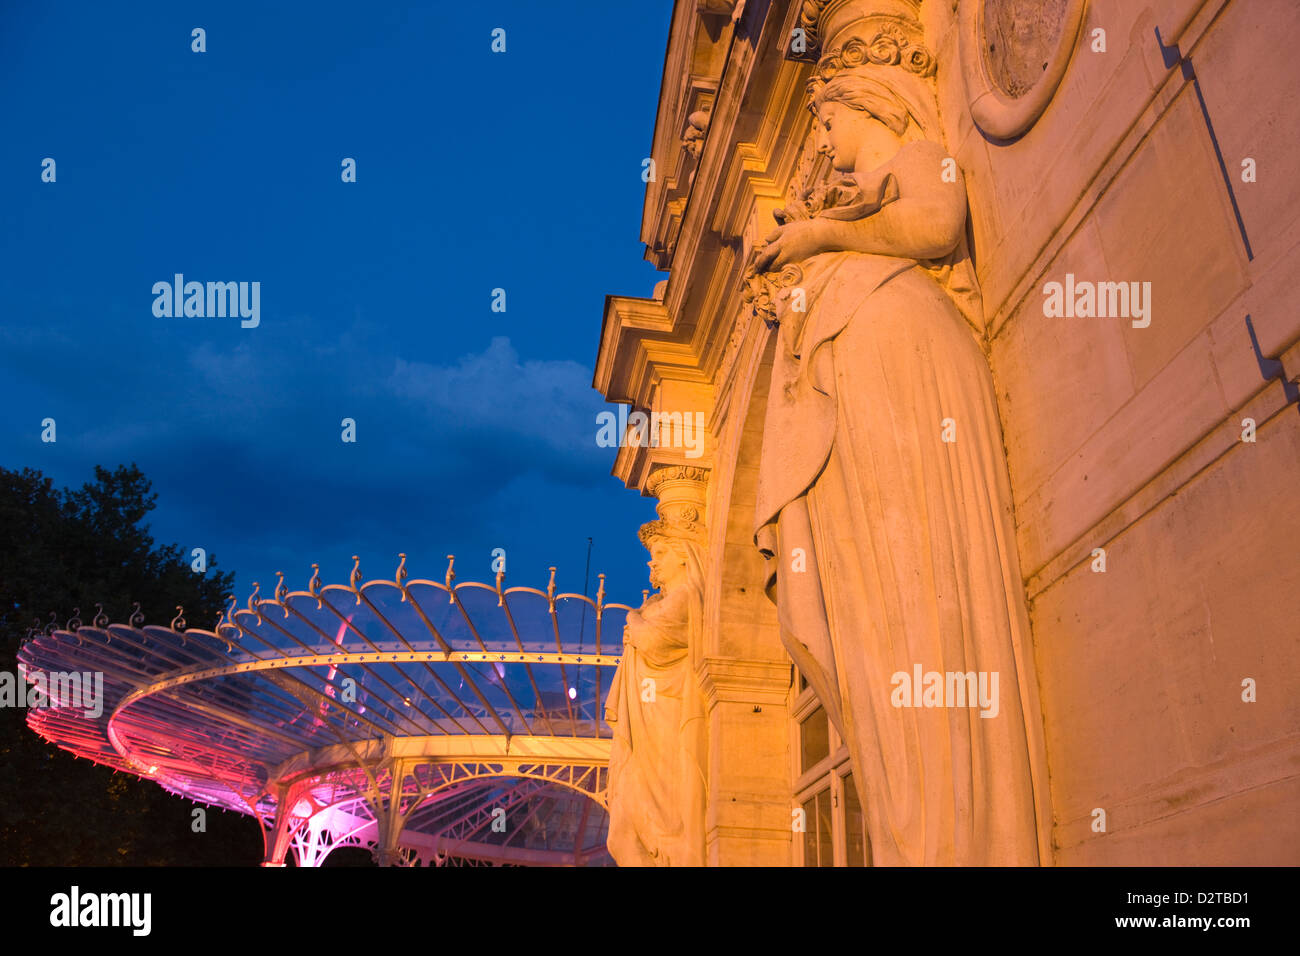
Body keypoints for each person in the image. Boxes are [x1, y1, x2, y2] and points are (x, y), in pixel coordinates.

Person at [749, 54, 1052, 865]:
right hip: (870, 379)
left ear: (866, 99)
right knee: (878, 619)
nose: (821, 137)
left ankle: (958, 834)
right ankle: (920, 833)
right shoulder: (859, 198)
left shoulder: (916, 159)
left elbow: (933, 227)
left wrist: (819, 234)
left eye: (826, 118)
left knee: (922, 594)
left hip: (904, 367)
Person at [604, 517, 708, 865]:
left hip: (666, 719)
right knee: (620, 835)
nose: (653, 561)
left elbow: (653, 642)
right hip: (647, 720)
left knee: (653, 825)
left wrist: (633, 619)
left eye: (661, 552)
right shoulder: (658, 605)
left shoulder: (688, 597)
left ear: (684, 555)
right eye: (652, 554)